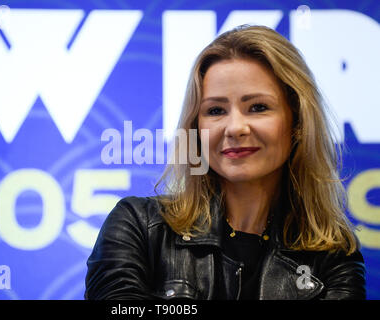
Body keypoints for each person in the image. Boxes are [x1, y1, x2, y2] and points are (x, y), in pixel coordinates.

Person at [84, 25, 366, 300]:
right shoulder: (138, 227)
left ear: (297, 122)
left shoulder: (333, 256)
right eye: (216, 110)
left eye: (257, 107)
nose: (235, 128)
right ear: (196, 128)